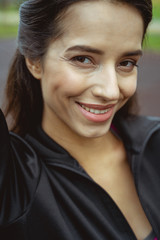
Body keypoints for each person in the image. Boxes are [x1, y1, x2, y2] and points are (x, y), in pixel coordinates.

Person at [0, 0, 159, 239]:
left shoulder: (156, 140)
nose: (111, 91)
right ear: (34, 59)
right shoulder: (13, 182)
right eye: (83, 59)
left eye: (126, 63)